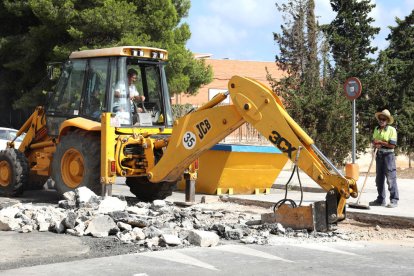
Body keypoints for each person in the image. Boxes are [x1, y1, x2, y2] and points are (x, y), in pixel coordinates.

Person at [369, 109, 399, 208]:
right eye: (380, 119)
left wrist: (380, 143)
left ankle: (394, 200)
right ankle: (380, 200)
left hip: (388, 156)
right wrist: (375, 144)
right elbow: (374, 140)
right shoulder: (376, 129)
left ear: (387, 120)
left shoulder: (392, 130)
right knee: (379, 179)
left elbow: (392, 145)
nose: (381, 120)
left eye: (384, 119)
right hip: (379, 156)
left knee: (391, 178)